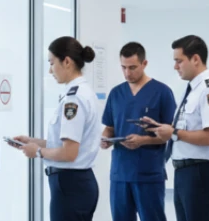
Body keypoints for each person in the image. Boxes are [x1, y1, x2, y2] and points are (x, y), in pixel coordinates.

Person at [9, 36, 100, 221]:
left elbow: (69, 153)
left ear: (66, 62)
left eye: (52, 63)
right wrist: (32, 141)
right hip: (77, 184)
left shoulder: (74, 98)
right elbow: (66, 143)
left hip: (70, 185)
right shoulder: (81, 92)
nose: (50, 70)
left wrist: (38, 152)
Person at [141, 35, 209, 221]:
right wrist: (160, 128)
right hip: (184, 172)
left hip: (200, 172)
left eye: (179, 61)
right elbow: (184, 127)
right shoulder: (192, 90)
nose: (175, 66)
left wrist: (174, 133)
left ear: (195, 59)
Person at [101, 42, 176, 221]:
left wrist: (143, 140)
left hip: (148, 172)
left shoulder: (162, 92)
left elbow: (170, 134)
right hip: (120, 173)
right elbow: (110, 127)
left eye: (133, 67)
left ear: (144, 64)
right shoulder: (116, 93)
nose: (127, 73)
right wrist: (105, 138)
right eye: (124, 67)